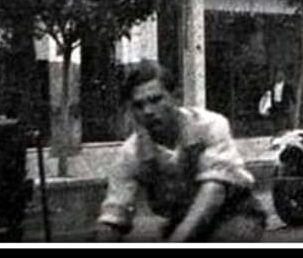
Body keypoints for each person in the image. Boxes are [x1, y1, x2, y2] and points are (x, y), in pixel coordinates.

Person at [94, 61, 266, 242]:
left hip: (234, 214)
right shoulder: (130, 154)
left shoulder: (209, 125)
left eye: (156, 100)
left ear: (176, 97)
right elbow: (114, 214)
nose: (148, 111)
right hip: (181, 221)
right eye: (138, 105)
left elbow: (213, 191)